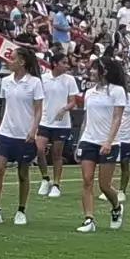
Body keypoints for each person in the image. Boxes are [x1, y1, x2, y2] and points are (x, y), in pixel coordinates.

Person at [0, 45, 42, 226]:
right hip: (6, 133)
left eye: (13, 58)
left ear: (22, 62)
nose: (9, 61)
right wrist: (1, 127)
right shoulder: (6, 81)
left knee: (23, 173)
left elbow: (39, 109)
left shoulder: (35, 83)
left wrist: (33, 130)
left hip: (24, 135)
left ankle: (21, 210)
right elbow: (4, 107)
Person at [75, 56, 127, 233]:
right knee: (87, 181)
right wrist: (79, 141)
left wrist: (109, 141)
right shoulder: (89, 93)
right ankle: (89, 218)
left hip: (109, 142)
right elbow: (85, 119)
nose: (91, 72)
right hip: (89, 139)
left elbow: (117, 118)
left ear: (104, 71)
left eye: (94, 69)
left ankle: (116, 207)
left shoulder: (117, 91)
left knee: (104, 185)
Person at [36, 51, 78, 199]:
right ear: (55, 64)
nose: (67, 65)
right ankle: (45, 178)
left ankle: (56, 184)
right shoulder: (43, 79)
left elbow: (73, 101)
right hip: (45, 120)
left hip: (61, 123)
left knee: (57, 155)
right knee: (39, 149)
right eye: (64, 63)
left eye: (67, 63)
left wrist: (64, 109)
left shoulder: (70, 80)